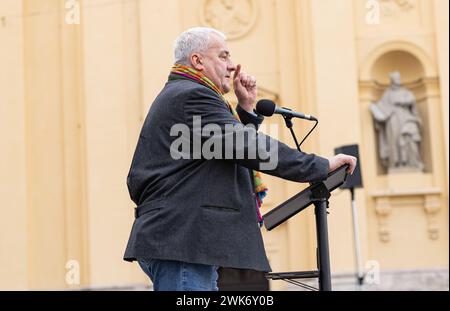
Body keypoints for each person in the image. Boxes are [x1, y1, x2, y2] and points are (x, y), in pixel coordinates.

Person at [123, 27, 356, 291]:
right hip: (184, 240)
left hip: (184, 241)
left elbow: (223, 148)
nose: (232, 66)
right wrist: (319, 166)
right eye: (223, 56)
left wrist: (245, 111)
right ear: (198, 61)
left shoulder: (185, 94)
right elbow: (246, 146)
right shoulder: (191, 95)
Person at [370, 71, 424, 171]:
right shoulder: (387, 94)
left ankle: (411, 162)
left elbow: (411, 100)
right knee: (393, 141)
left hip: (405, 118)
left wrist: (401, 101)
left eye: (398, 78)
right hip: (393, 120)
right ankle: (396, 163)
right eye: (395, 78)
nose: (397, 80)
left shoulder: (406, 92)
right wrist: (375, 109)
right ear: (392, 80)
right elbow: (381, 108)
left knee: (408, 139)